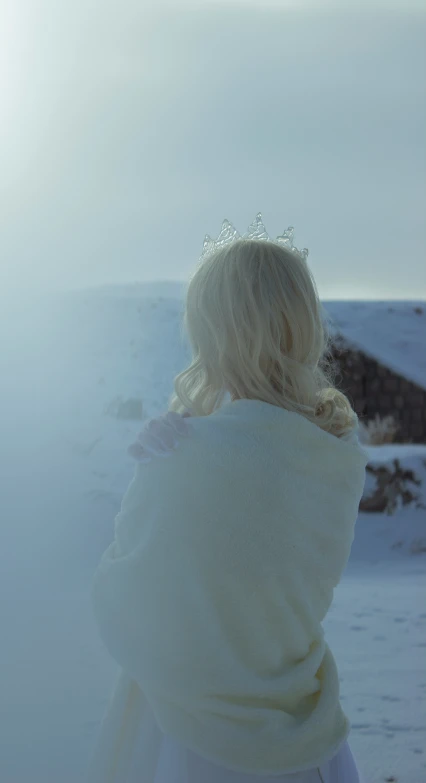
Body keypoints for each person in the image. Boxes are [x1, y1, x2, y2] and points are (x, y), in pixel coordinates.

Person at [85, 214, 369, 783]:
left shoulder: (186, 457)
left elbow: (123, 600)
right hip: (303, 742)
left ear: (215, 333)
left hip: (187, 745)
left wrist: (156, 470)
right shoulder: (334, 456)